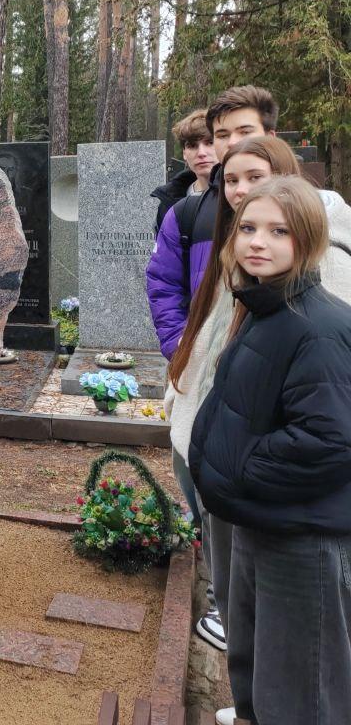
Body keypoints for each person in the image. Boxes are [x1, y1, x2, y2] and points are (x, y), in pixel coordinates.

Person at [168, 140, 351, 722]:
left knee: (301, 684)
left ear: (308, 241)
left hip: (299, 535)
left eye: (278, 232)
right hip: (258, 520)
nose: (257, 242)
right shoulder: (262, 308)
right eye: (248, 228)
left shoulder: (318, 327)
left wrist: (240, 470)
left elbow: (329, 440)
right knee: (257, 664)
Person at [147, 85, 279, 359]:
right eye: (222, 135)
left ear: (270, 136)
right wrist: (180, 347)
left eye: (245, 132)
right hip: (204, 366)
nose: (232, 143)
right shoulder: (185, 213)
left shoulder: (312, 210)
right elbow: (163, 282)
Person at [150, 109, 217, 232]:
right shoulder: (168, 202)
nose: (201, 153)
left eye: (210, 143)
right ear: (184, 153)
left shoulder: (238, 195)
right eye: (192, 146)